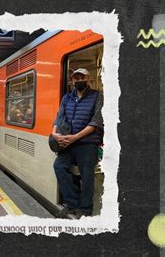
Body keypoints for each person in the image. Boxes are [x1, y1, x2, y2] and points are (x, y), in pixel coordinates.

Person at [51, 68, 104, 218]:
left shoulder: (98, 96)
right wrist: (55, 134)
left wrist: (76, 137)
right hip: (68, 143)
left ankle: (85, 209)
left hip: (87, 143)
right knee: (59, 167)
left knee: (87, 176)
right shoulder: (67, 98)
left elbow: (97, 121)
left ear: (88, 79)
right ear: (72, 80)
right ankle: (72, 204)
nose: (78, 80)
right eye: (75, 78)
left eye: (81, 77)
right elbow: (59, 117)